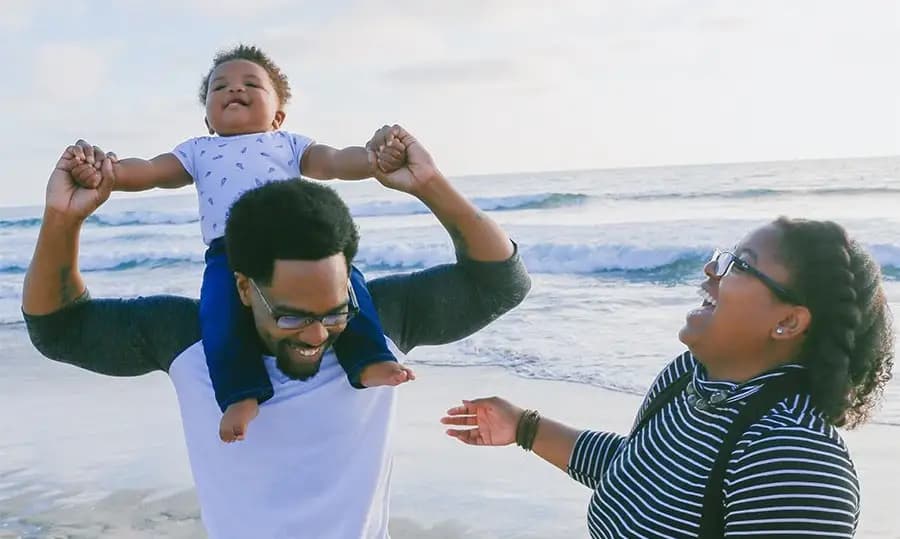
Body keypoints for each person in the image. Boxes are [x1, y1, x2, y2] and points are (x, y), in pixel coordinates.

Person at [23, 126, 532, 539]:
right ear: (243, 288)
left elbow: (501, 283)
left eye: (334, 313)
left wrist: (429, 184)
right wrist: (62, 221)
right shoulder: (189, 339)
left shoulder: (376, 323)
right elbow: (59, 328)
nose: (316, 335)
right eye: (290, 316)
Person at [443, 220, 894, 538]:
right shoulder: (688, 378)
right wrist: (524, 426)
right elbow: (641, 475)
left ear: (789, 323)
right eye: (725, 256)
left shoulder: (793, 459)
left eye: (741, 265)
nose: (711, 270)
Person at [69, 44, 412, 443]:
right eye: (220, 87)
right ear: (208, 119)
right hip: (228, 251)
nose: (235, 90)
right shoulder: (198, 150)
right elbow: (148, 171)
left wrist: (374, 159)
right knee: (218, 314)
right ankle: (240, 393)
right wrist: (105, 171)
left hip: (296, 243)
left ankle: (369, 359)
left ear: (278, 116)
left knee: (348, 286)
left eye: (251, 83)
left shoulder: (290, 144)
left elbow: (335, 161)